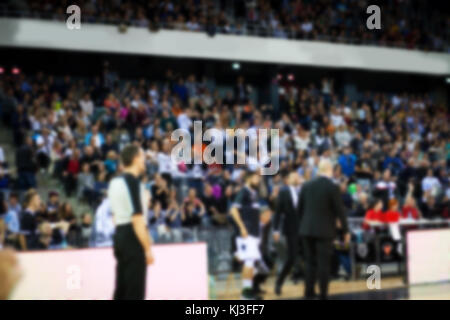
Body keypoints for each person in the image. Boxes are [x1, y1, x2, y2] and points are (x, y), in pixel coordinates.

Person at [298, 159, 350, 300]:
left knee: (309, 263)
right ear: (330, 170)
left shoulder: (306, 185)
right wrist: (346, 231)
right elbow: (340, 211)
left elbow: (300, 209)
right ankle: (323, 294)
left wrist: (302, 227)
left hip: (306, 230)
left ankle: (308, 293)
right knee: (323, 264)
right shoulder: (332, 187)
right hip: (324, 230)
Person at [108, 144, 154, 300]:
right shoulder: (133, 182)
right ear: (135, 159)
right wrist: (147, 248)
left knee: (121, 289)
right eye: (142, 157)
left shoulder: (114, 182)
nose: (144, 161)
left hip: (120, 235)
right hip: (132, 238)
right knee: (134, 292)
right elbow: (137, 219)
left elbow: (116, 215)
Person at [230, 171, 263, 300]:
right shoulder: (243, 192)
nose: (258, 180)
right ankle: (245, 296)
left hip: (254, 233)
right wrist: (242, 227)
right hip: (246, 233)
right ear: (248, 179)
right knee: (249, 262)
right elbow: (233, 210)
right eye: (256, 178)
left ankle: (247, 292)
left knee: (252, 263)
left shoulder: (255, 193)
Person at [273, 171, 301, 295]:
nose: (297, 177)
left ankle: (304, 280)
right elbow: (278, 212)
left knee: (309, 256)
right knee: (291, 257)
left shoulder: (303, 190)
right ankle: (279, 282)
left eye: (297, 176)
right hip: (291, 229)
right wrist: (276, 229)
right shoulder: (284, 192)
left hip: (304, 228)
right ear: (288, 179)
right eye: (294, 176)